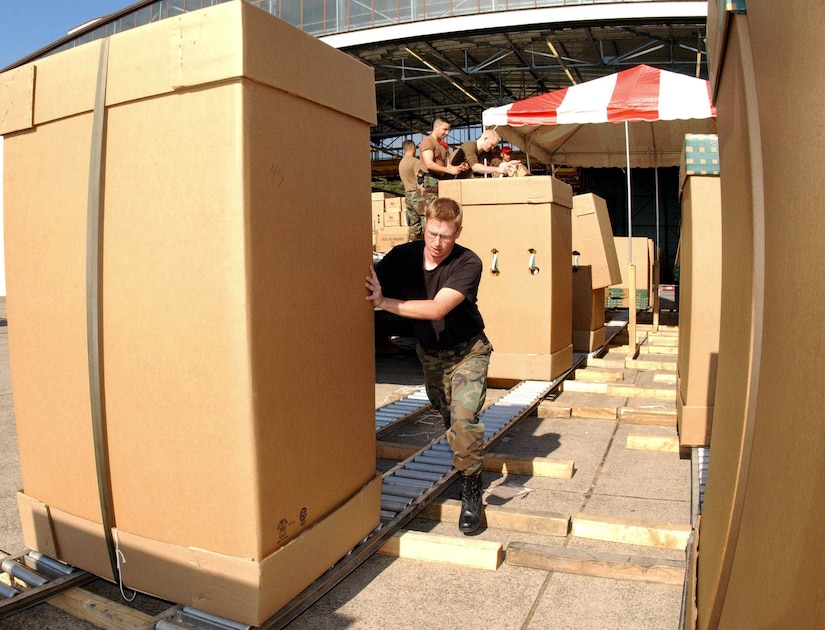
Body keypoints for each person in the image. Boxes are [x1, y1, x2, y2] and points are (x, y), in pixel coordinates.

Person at [365, 197, 491, 534]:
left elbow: (437, 309)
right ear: (426, 226)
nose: (437, 243)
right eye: (433, 234)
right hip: (431, 357)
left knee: (464, 424)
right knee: (448, 416)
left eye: (446, 237)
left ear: (458, 232)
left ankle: (471, 492)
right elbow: (366, 279)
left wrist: (383, 303)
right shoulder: (403, 257)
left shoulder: (468, 263)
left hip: (468, 353)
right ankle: (465, 458)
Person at [415, 119, 468, 220]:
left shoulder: (443, 145)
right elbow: (429, 164)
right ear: (436, 127)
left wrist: (458, 168)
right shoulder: (428, 142)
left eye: (448, 130)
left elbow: (448, 166)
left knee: (439, 214)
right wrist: (449, 170)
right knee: (429, 215)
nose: (447, 133)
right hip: (428, 183)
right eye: (445, 129)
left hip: (438, 181)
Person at [450, 129, 517, 178]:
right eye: (492, 144)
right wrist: (498, 169)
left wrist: (508, 164)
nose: (493, 148)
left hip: (461, 179)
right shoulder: (469, 145)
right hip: (450, 178)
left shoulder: (485, 151)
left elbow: (494, 161)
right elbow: (475, 167)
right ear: (485, 139)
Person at [398, 139, 423, 240]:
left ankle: (412, 245)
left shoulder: (401, 163)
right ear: (413, 148)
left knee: (413, 225)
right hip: (417, 195)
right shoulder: (415, 162)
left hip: (407, 195)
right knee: (425, 221)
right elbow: (419, 177)